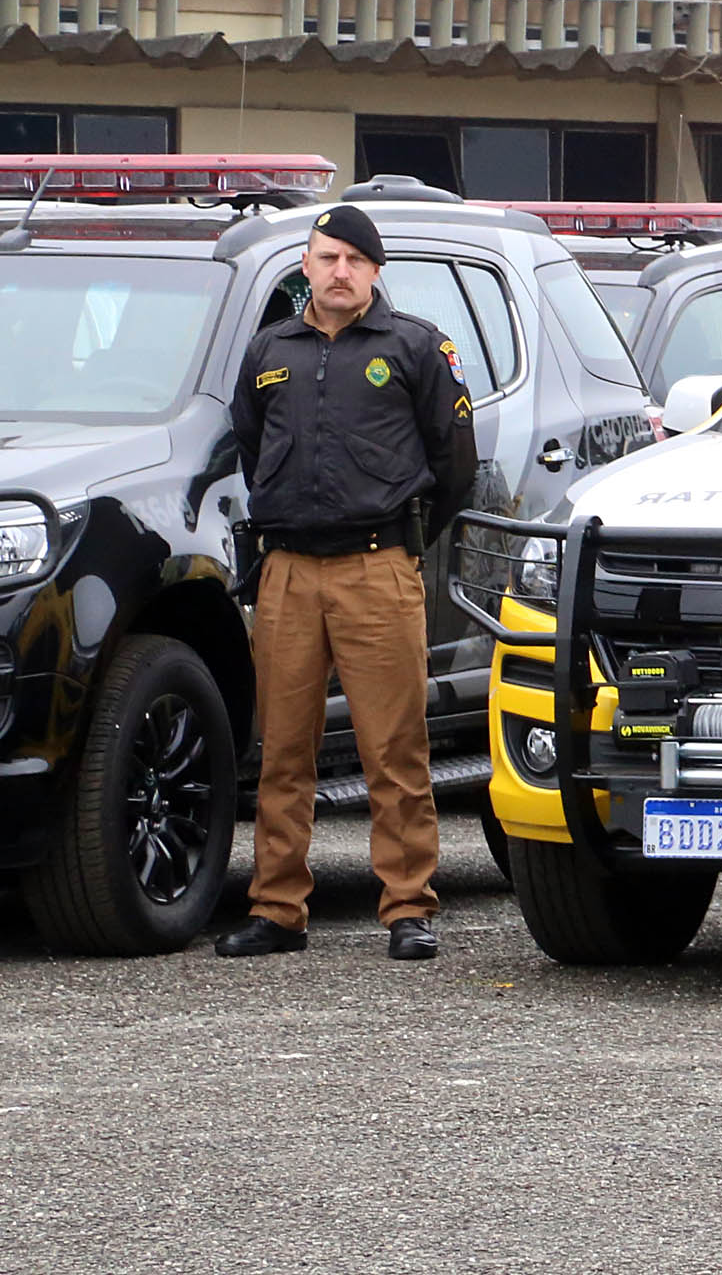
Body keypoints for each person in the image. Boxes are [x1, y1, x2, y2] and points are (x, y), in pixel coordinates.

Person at [213, 204, 475, 962]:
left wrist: (402, 541)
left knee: (394, 749)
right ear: (305, 263)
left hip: (375, 567)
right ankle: (278, 909)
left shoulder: (416, 346)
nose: (339, 272)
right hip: (289, 570)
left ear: (376, 270)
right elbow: (252, 442)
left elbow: (454, 460)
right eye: (327, 257)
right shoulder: (271, 348)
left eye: (354, 260)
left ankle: (407, 908)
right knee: (282, 751)